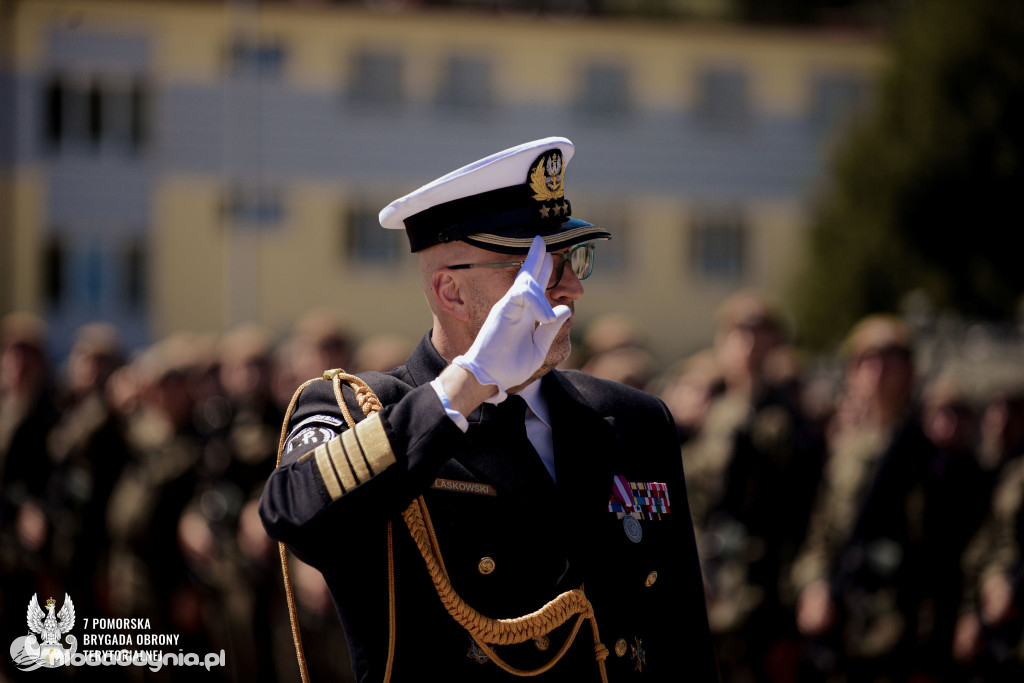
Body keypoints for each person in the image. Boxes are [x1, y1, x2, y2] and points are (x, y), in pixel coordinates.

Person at [260, 137, 717, 682]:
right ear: (451, 292)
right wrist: (468, 384)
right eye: (539, 269)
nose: (571, 287)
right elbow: (292, 514)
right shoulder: (367, 408)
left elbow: (683, 641)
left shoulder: (634, 421)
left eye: (572, 260)